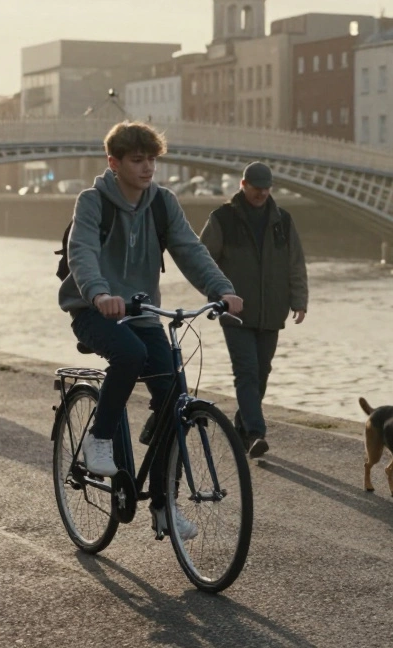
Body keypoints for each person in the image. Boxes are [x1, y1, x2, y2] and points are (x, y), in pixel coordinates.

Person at [59, 121, 241, 539]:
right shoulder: (92, 202)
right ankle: (98, 439)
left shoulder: (162, 203)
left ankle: (163, 505)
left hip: (141, 313)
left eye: (152, 160)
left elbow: (190, 249)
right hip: (93, 310)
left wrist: (222, 290)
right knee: (130, 355)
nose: (147, 168)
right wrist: (99, 292)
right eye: (137, 160)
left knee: (175, 399)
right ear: (114, 162)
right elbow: (81, 251)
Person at [199, 162, 309, 459]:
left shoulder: (282, 221)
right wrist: (217, 295)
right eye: (255, 187)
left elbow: (295, 263)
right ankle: (256, 433)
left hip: (272, 311)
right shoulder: (222, 219)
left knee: (261, 372)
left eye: (265, 188)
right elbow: (201, 260)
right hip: (235, 312)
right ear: (243, 184)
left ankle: (242, 426)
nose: (261, 193)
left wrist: (299, 300)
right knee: (246, 371)